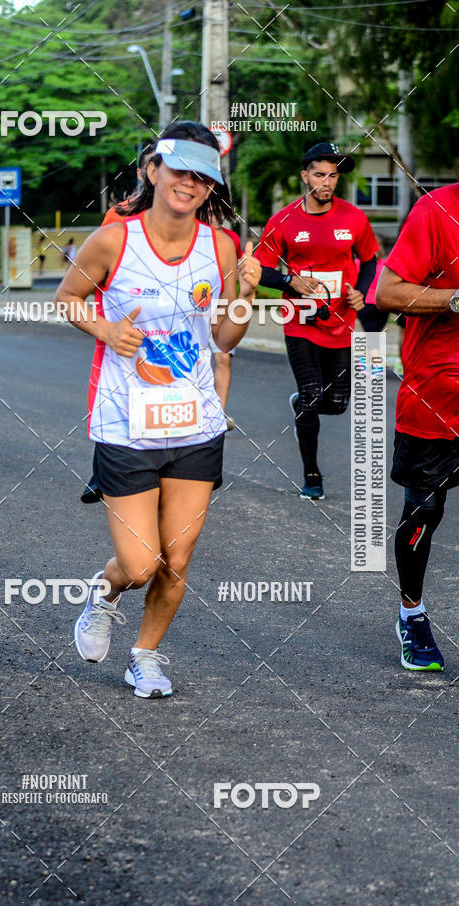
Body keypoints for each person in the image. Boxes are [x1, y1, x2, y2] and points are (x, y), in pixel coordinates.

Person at [54, 121, 260, 698]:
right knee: (141, 564)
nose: (188, 184)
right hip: (125, 422)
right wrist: (102, 326)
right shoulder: (114, 241)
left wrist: (243, 294)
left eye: (201, 176)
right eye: (179, 170)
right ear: (152, 169)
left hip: (196, 421)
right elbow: (67, 298)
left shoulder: (220, 247)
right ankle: (104, 591)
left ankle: (144, 656)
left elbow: (223, 339)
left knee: (177, 559)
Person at [255, 141, 379, 499]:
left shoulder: (354, 218)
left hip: (340, 323)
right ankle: (312, 476)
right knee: (312, 395)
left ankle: (300, 404)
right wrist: (289, 280)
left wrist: (361, 291)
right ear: (305, 176)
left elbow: (369, 260)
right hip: (300, 320)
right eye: (320, 174)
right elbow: (260, 270)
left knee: (337, 403)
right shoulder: (284, 220)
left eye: (333, 175)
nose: (327, 182)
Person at [375, 182, 459, 671]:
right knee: (424, 513)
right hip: (436, 397)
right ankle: (412, 612)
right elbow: (388, 292)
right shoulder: (437, 210)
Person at [210, 223, 243, 429]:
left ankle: (218, 414)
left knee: (223, 358)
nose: (215, 214)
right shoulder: (187, 231)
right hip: (192, 305)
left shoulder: (231, 239)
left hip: (222, 306)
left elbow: (238, 266)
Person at [101, 144, 154, 226]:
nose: (159, 173)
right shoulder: (117, 215)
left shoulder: (179, 212)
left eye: (165, 167)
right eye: (152, 168)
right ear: (139, 174)